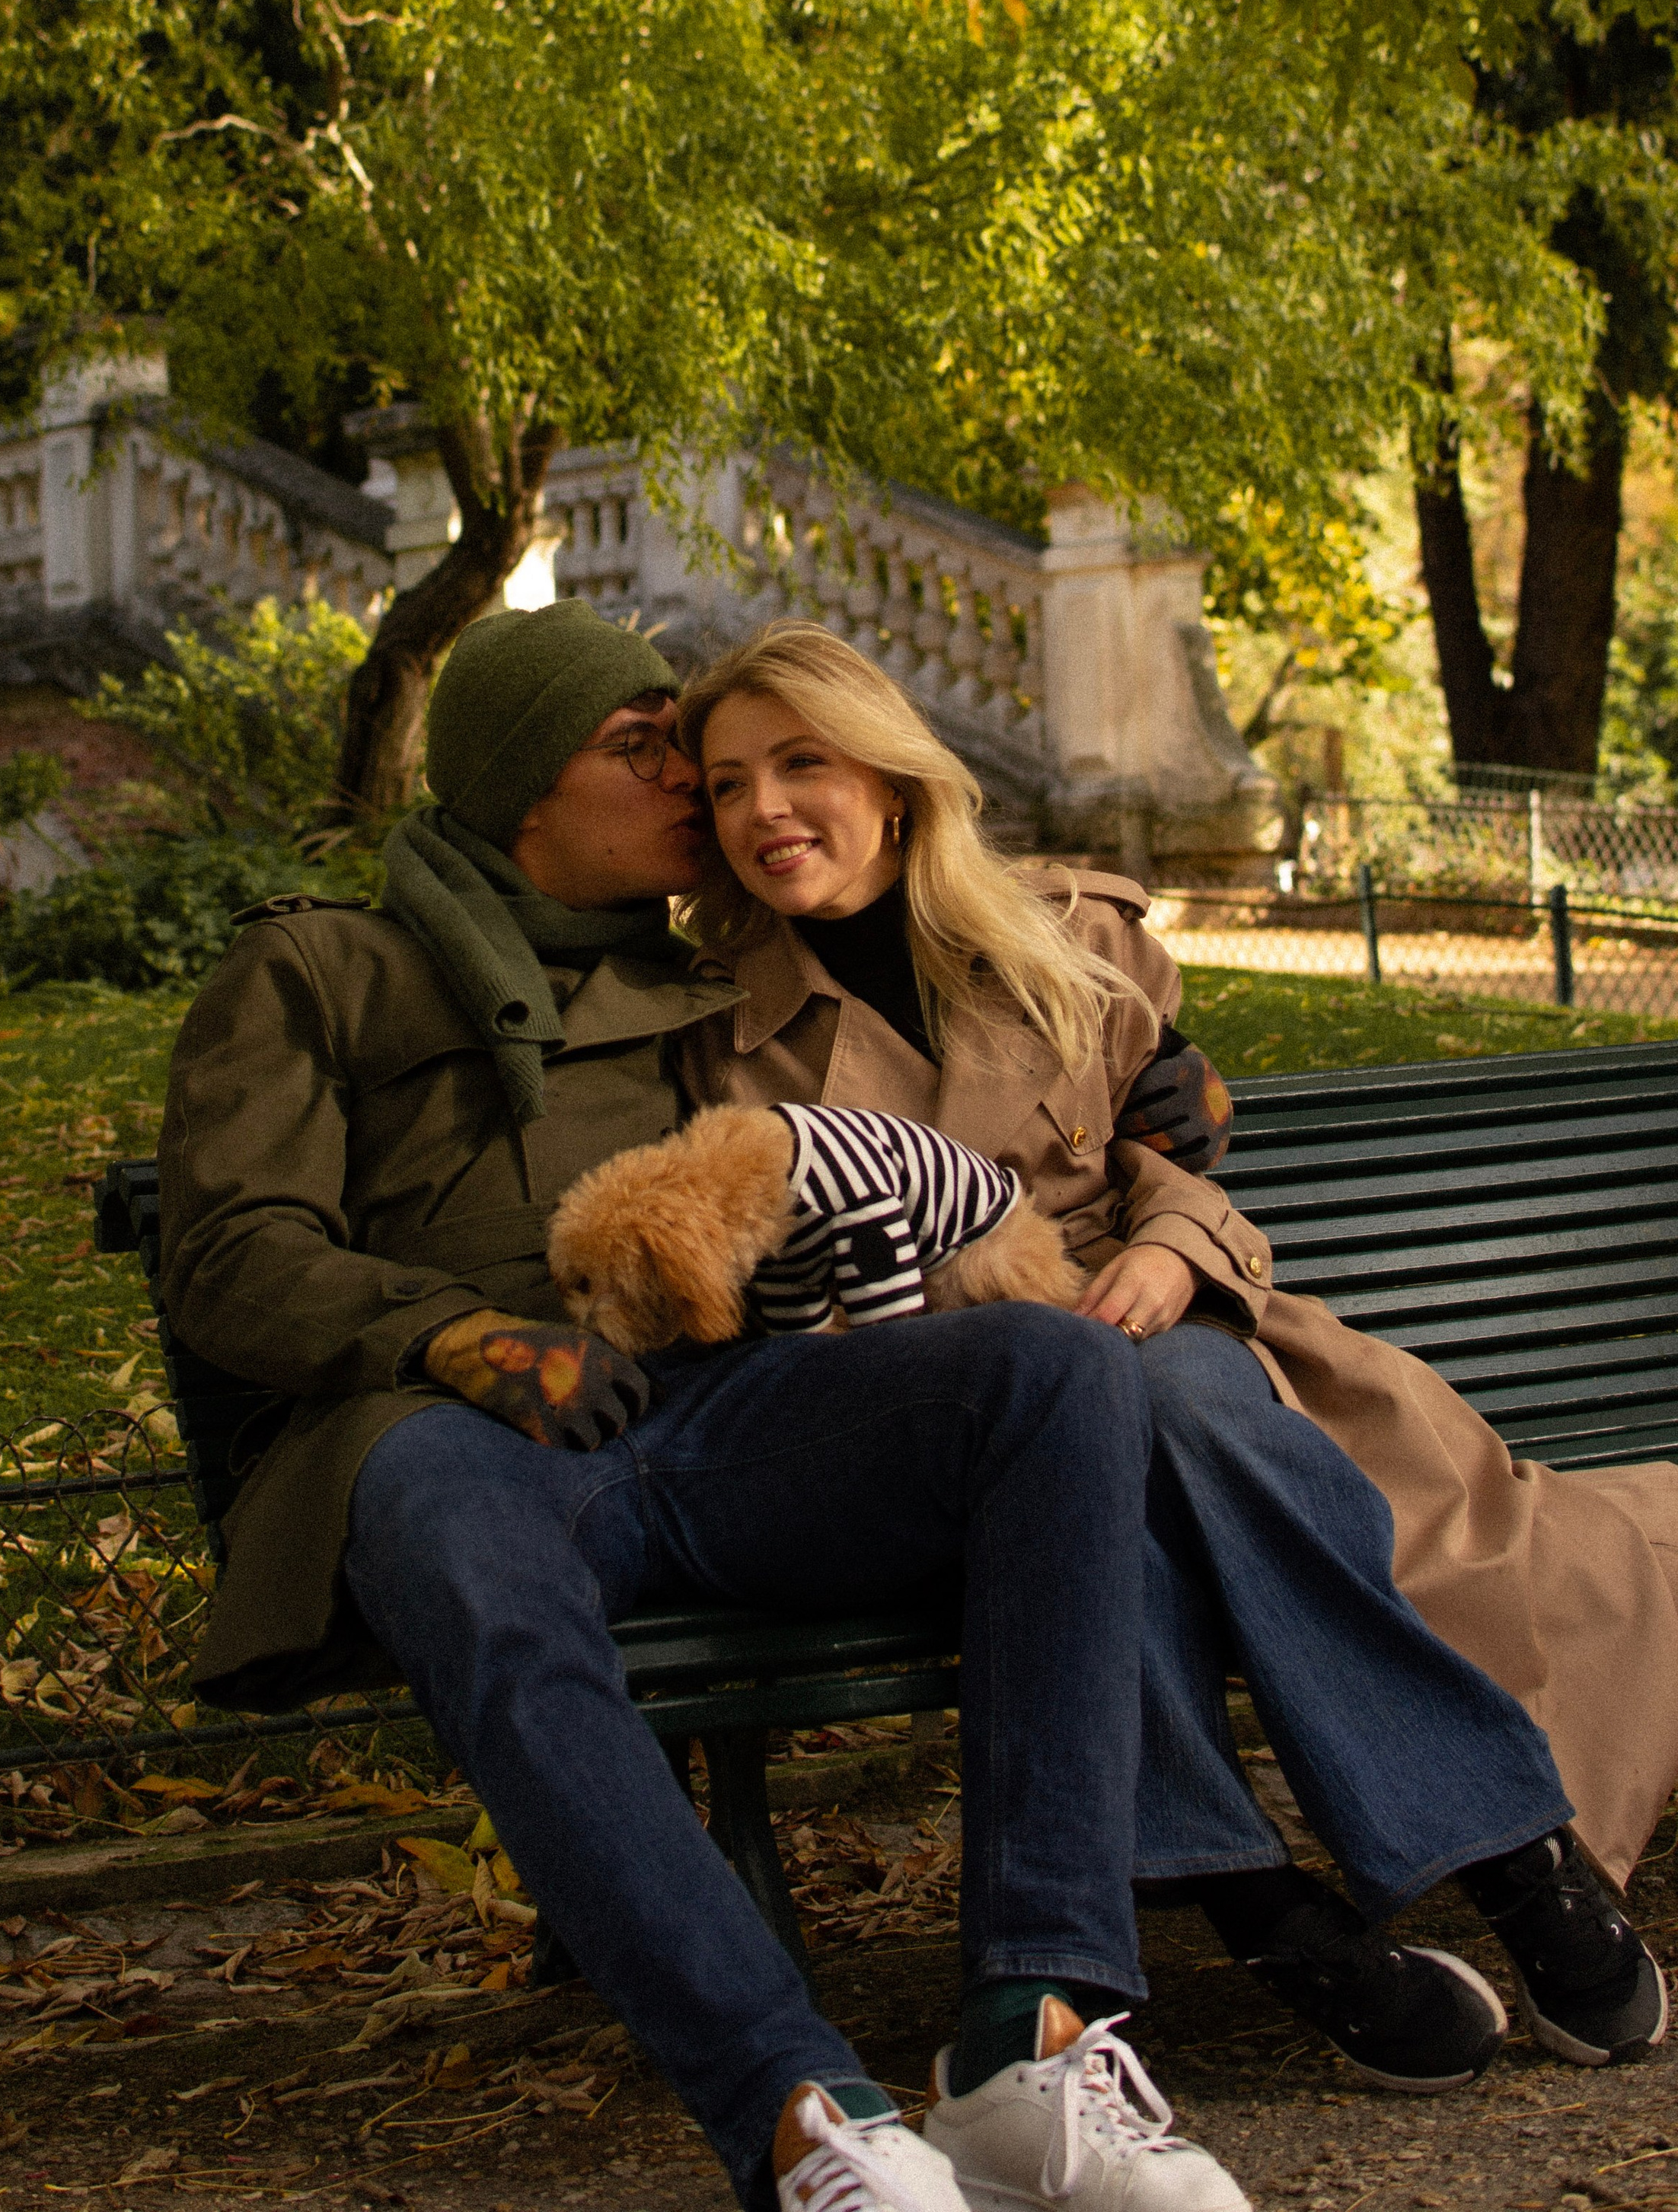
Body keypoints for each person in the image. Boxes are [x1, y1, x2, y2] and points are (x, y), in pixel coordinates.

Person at [158, 598, 1252, 2212]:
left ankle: (1032, 2037)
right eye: (642, 747)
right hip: (453, 1444)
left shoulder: (715, 978)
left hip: (721, 1420)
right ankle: (799, 2117)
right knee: (452, 1528)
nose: (696, 781)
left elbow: (947, 1035)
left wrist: (1164, 1077)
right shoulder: (321, 967)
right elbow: (232, 1256)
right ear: (521, 783)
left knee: (1055, 1367)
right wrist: (457, 1336)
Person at [675, 619, 1670, 2135]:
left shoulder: (1069, 933)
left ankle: (1330, 1897)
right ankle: (1443, 1866)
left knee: (1162, 1403)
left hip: (1184, 1351)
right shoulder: (708, 1036)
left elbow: (1180, 1156)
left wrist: (1176, 1252)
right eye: (729, 780)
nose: (764, 811)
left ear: (889, 776)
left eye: (800, 762)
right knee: (1087, 1457)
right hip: (955, 1413)